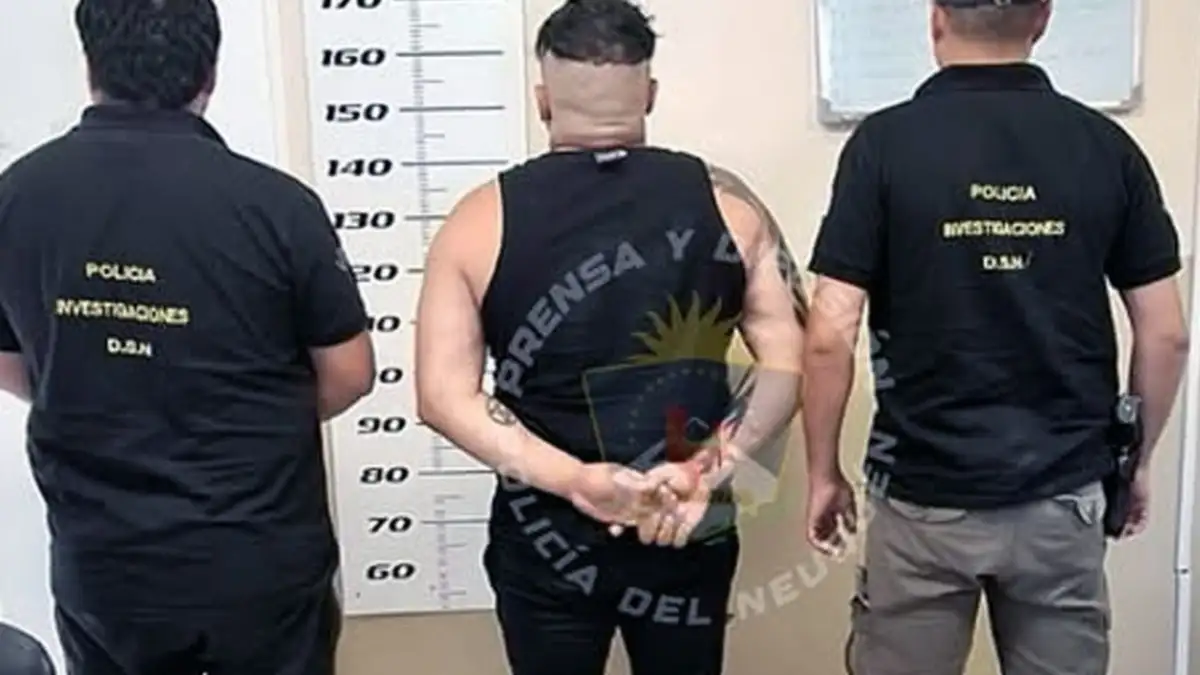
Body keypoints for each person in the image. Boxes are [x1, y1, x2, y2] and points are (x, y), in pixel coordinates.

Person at [414, 1, 804, 673]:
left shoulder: (477, 221)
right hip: (685, 517)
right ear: (649, 94)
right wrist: (704, 470)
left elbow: (442, 396)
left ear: (542, 100)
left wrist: (575, 481)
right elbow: (787, 364)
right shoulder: (732, 214)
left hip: (546, 534)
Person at [801, 1, 1190, 674]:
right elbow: (1168, 334)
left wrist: (821, 472)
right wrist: (1137, 462)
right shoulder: (1106, 146)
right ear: (1043, 18)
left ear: (935, 19)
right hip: (1062, 494)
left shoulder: (882, 145)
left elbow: (829, 335)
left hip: (922, 497)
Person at [0, 1, 375, 673]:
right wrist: (243, 412)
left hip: (105, 566)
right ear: (210, 72)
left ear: (90, 64)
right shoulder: (276, 206)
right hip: (257, 559)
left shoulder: (16, 195)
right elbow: (350, 373)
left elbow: (10, 363)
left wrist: (107, 391)